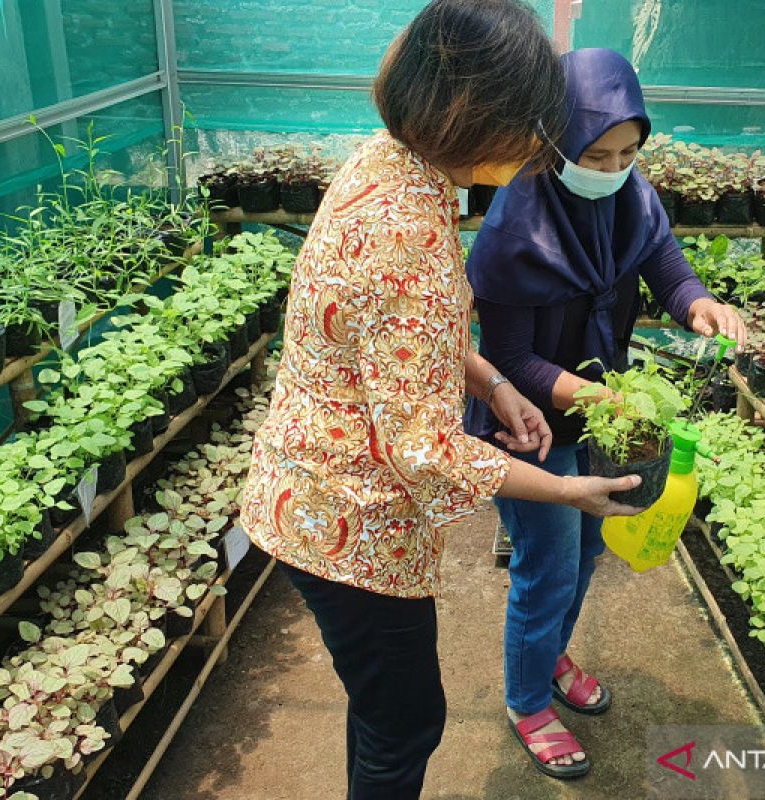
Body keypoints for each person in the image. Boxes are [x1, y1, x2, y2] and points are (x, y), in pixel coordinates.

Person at [239, 7, 647, 799]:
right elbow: (424, 450)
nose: (542, 145)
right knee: (405, 722)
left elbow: (388, 331)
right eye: (533, 125)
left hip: (301, 483)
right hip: (346, 526)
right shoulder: (414, 240)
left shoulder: (386, 164)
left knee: (383, 707)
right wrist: (567, 491)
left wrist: (493, 381)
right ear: (482, 122)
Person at [464, 47, 748, 779]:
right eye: (596, 153)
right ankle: (528, 702)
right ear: (552, 139)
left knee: (588, 553)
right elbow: (513, 363)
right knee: (547, 566)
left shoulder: (629, 198)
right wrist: (601, 396)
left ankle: (551, 654)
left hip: (598, 417)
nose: (614, 166)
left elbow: (664, 263)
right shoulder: (510, 232)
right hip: (526, 424)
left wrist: (699, 305)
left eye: (628, 151)